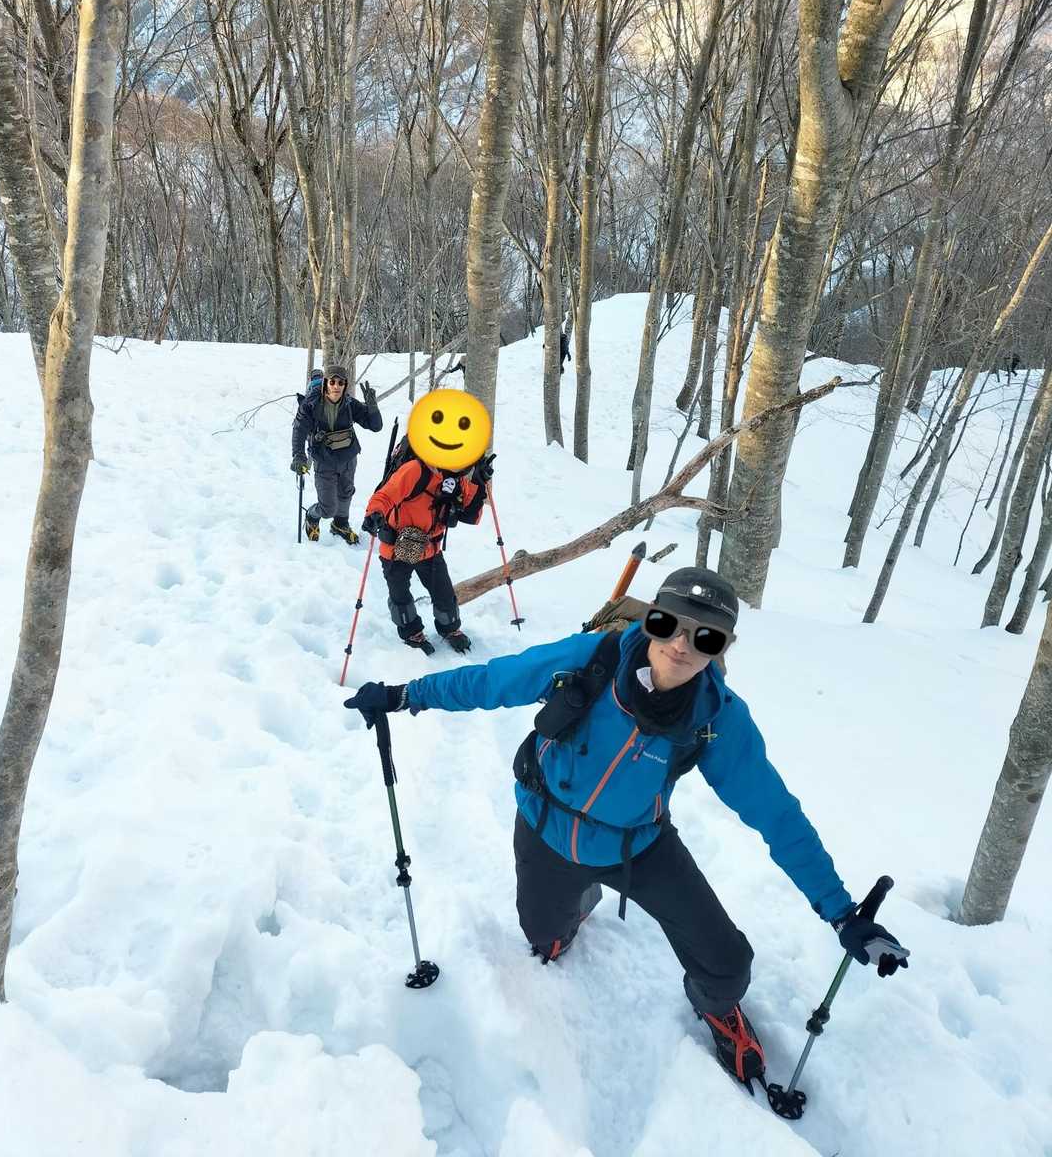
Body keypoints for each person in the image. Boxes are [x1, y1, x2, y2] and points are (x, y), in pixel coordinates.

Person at [344, 566, 909, 1093]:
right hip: (546, 827)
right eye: (669, 624)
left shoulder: (716, 719)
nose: (681, 644)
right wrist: (406, 695)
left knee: (728, 962)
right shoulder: (594, 660)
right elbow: (495, 681)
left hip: (637, 846)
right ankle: (577, 903)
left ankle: (716, 1008)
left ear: (723, 648)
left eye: (706, 637)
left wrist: (841, 912)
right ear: (650, 617)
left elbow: (776, 813)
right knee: (541, 936)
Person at [360, 446, 495, 655]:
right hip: (397, 547)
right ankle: (411, 633)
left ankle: (450, 629)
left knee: (444, 593)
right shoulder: (415, 469)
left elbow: (471, 516)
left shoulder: (457, 480)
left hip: (430, 548)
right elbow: (385, 495)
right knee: (400, 594)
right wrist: (374, 513)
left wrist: (479, 480)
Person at [291, 366, 382, 544]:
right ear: (325, 383)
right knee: (328, 508)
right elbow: (299, 430)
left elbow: (375, 426)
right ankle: (312, 515)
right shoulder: (310, 404)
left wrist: (372, 407)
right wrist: (299, 456)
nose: (336, 386)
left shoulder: (349, 403)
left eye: (340, 383)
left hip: (348, 457)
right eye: (332, 382)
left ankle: (340, 525)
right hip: (324, 459)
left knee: (346, 494)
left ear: (345, 385)